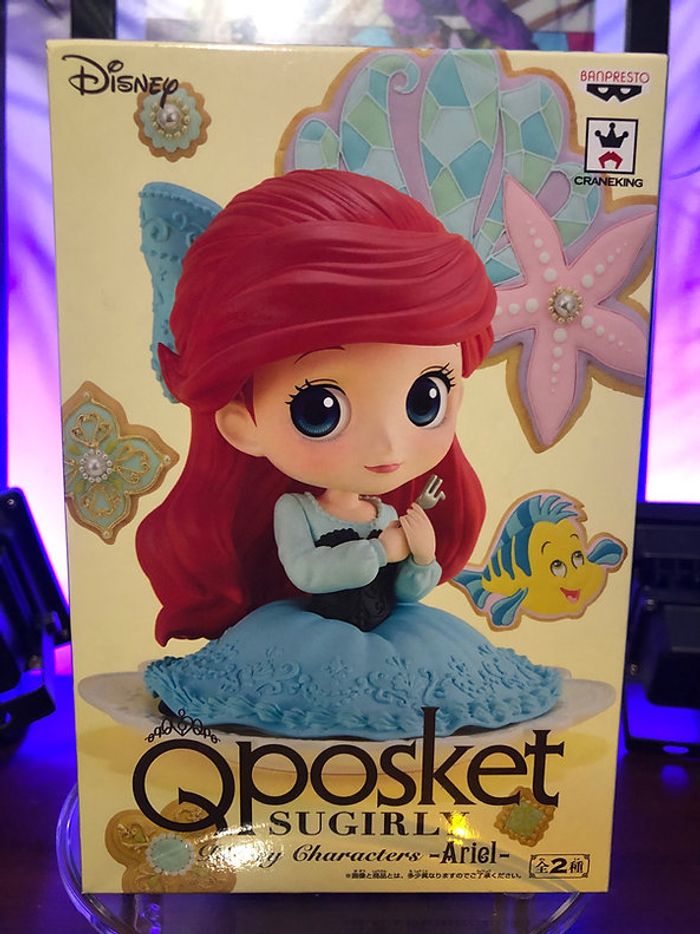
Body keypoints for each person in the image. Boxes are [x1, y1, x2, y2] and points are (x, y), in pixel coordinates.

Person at [137, 169, 560, 740]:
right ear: (242, 425)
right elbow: (308, 570)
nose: (387, 446)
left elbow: (407, 590)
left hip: (399, 638)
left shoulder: (383, 510)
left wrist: (420, 556)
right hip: (307, 638)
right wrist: (381, 549)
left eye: (426, 398)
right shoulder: (298, 512)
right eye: (320, 409)